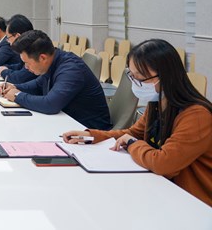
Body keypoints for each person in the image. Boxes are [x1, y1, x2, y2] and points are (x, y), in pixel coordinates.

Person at [63, 39, 212, 206]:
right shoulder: (158, 102)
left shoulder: (197, 115)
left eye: (140, 78)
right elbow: (133, 133)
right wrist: (92, 136)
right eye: (132, 76)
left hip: (195, 201)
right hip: (162, 189)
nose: (135, 83)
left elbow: (163, 163)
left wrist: (132, 144)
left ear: (166, 76)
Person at [0, 29, 111, 129]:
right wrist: (14, 87)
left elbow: (50, 104)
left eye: (27, 63)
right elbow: (38, 85)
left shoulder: (71, 69)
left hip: (89, 132)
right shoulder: (54, 60)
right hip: (67, 123)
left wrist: (17, 95)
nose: (26, 67)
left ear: (42, 58)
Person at [0, 14, 37, 84]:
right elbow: (19, 66)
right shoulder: (27, 49)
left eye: (8, 38)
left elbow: (20, 77)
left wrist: (3, 71)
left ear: (17, 36)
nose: (8, 41)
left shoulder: (34, 52)